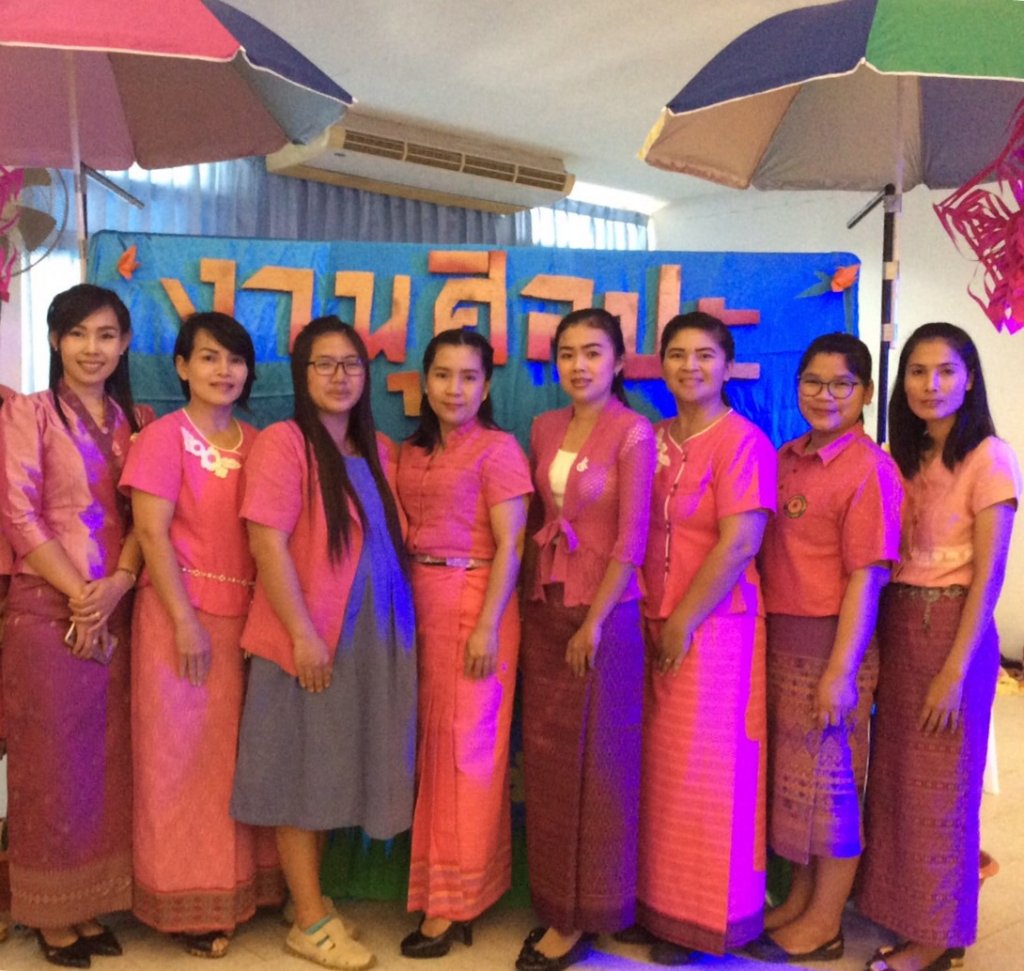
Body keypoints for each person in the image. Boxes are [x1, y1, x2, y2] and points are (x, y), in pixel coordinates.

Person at [229, 316, 416, 971]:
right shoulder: (285, 444)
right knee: (300, 768)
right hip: (310, 638)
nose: (339, 376)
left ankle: (305, 899)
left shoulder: (378, 450)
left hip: (369, 641)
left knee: (335, 766)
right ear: (301, 375)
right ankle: (309, 921)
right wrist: (303, 633)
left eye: (351, 364)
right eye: (324, 364)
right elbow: (267, 542)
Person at [120, 312, 282, 958]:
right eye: (209, 357)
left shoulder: (262, 442)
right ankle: (185, 904)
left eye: (235, 359)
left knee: (235, 761)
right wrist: (184, 619)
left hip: (247, 619)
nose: (224, 370)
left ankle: (239, 892)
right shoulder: (164, 437)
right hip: (176, 620)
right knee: (178, 761)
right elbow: (150, 532)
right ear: (182, 366)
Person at [858, 323, 1019, 971]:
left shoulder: (991, 458)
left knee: (943, 792)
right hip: (900, 625)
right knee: (897, 782)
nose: (931, 384)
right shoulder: (907, 455)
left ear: (970, 378)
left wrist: (954, 671)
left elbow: (989, 576)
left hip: (955, 631)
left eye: (947, 370)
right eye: (918, 372)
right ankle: (908, 912)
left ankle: (937, 936)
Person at [0, 284, 151, 968]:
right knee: (50, 763)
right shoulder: (28, 413)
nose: (93, 348)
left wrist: (116, 585)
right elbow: (18, 512)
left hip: (118, 605)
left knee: (104, 763)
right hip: (45, 607)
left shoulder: (138, 421)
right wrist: (79, 595)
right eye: (79, 333)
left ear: (125, 343)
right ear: (57, 340)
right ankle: (47, 913)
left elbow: (151, 514)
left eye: (107, 334)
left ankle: (86, 902)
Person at [748, 333, 902, 964]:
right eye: (813, 381)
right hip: (780, 641)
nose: (825, 395)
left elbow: (867, 577)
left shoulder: (871, 469)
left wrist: (841, 672)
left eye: (842, 384)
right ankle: (799, 901)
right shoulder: (786, 456)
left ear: (865, 393)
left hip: (834, 645)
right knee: (798, 788)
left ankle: (826, 922)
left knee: (833, 788)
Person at [629, 312, 776, 965]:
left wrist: (684, 619)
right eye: (678, 354)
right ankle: (656, 907)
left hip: (718, 631)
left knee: (708, 775)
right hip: (650, 622)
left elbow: (740, 543)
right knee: (657, 774)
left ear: (727, 365)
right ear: (661, 364)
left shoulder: (743, 442)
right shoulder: (652, 438)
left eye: (705, 355)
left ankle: (703, 921)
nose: (691, 366)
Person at [517, 308, 656, 971]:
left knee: (600, 768)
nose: (579, 365)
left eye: (593, 352)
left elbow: (632, 537)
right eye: (568, 353)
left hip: (606, 617)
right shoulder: (544, 426)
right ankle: (555, 903)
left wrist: (596, 620)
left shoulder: (633, 432)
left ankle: (587, 913)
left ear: (619, 361)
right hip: (546, 605)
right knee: (548, 763)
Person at [397, 328, 532, 958]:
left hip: (476, 601)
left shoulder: (499, 450)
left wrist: (486, 624)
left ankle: (452, 905)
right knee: (431, 750)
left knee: (466, 754)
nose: (455, 388)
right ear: (424, 382)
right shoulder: (410, 452)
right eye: (443, 375)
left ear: (487, 385)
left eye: (469, 377)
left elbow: (512, 545)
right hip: (416, 605)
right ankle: (446, 893)